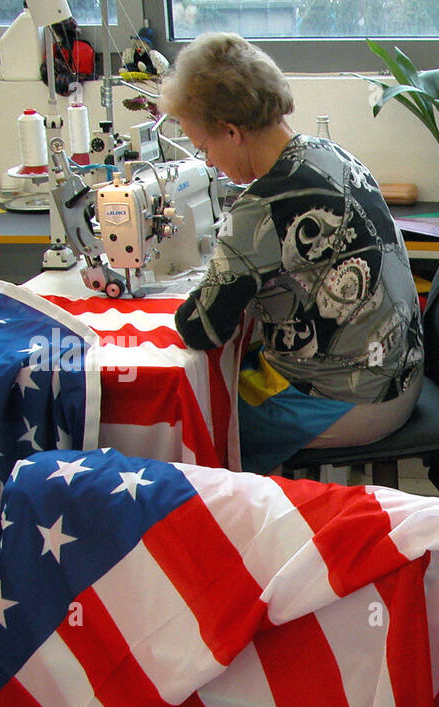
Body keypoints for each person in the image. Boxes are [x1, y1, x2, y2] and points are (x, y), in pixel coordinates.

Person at [159, 33, 423, 474]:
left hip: (359, 401)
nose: (208, 163)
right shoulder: (333, 155)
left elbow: (200, 327)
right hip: (404, 374)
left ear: (231, 130)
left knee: (187, 423)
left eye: (204, 148)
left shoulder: (261, 208)